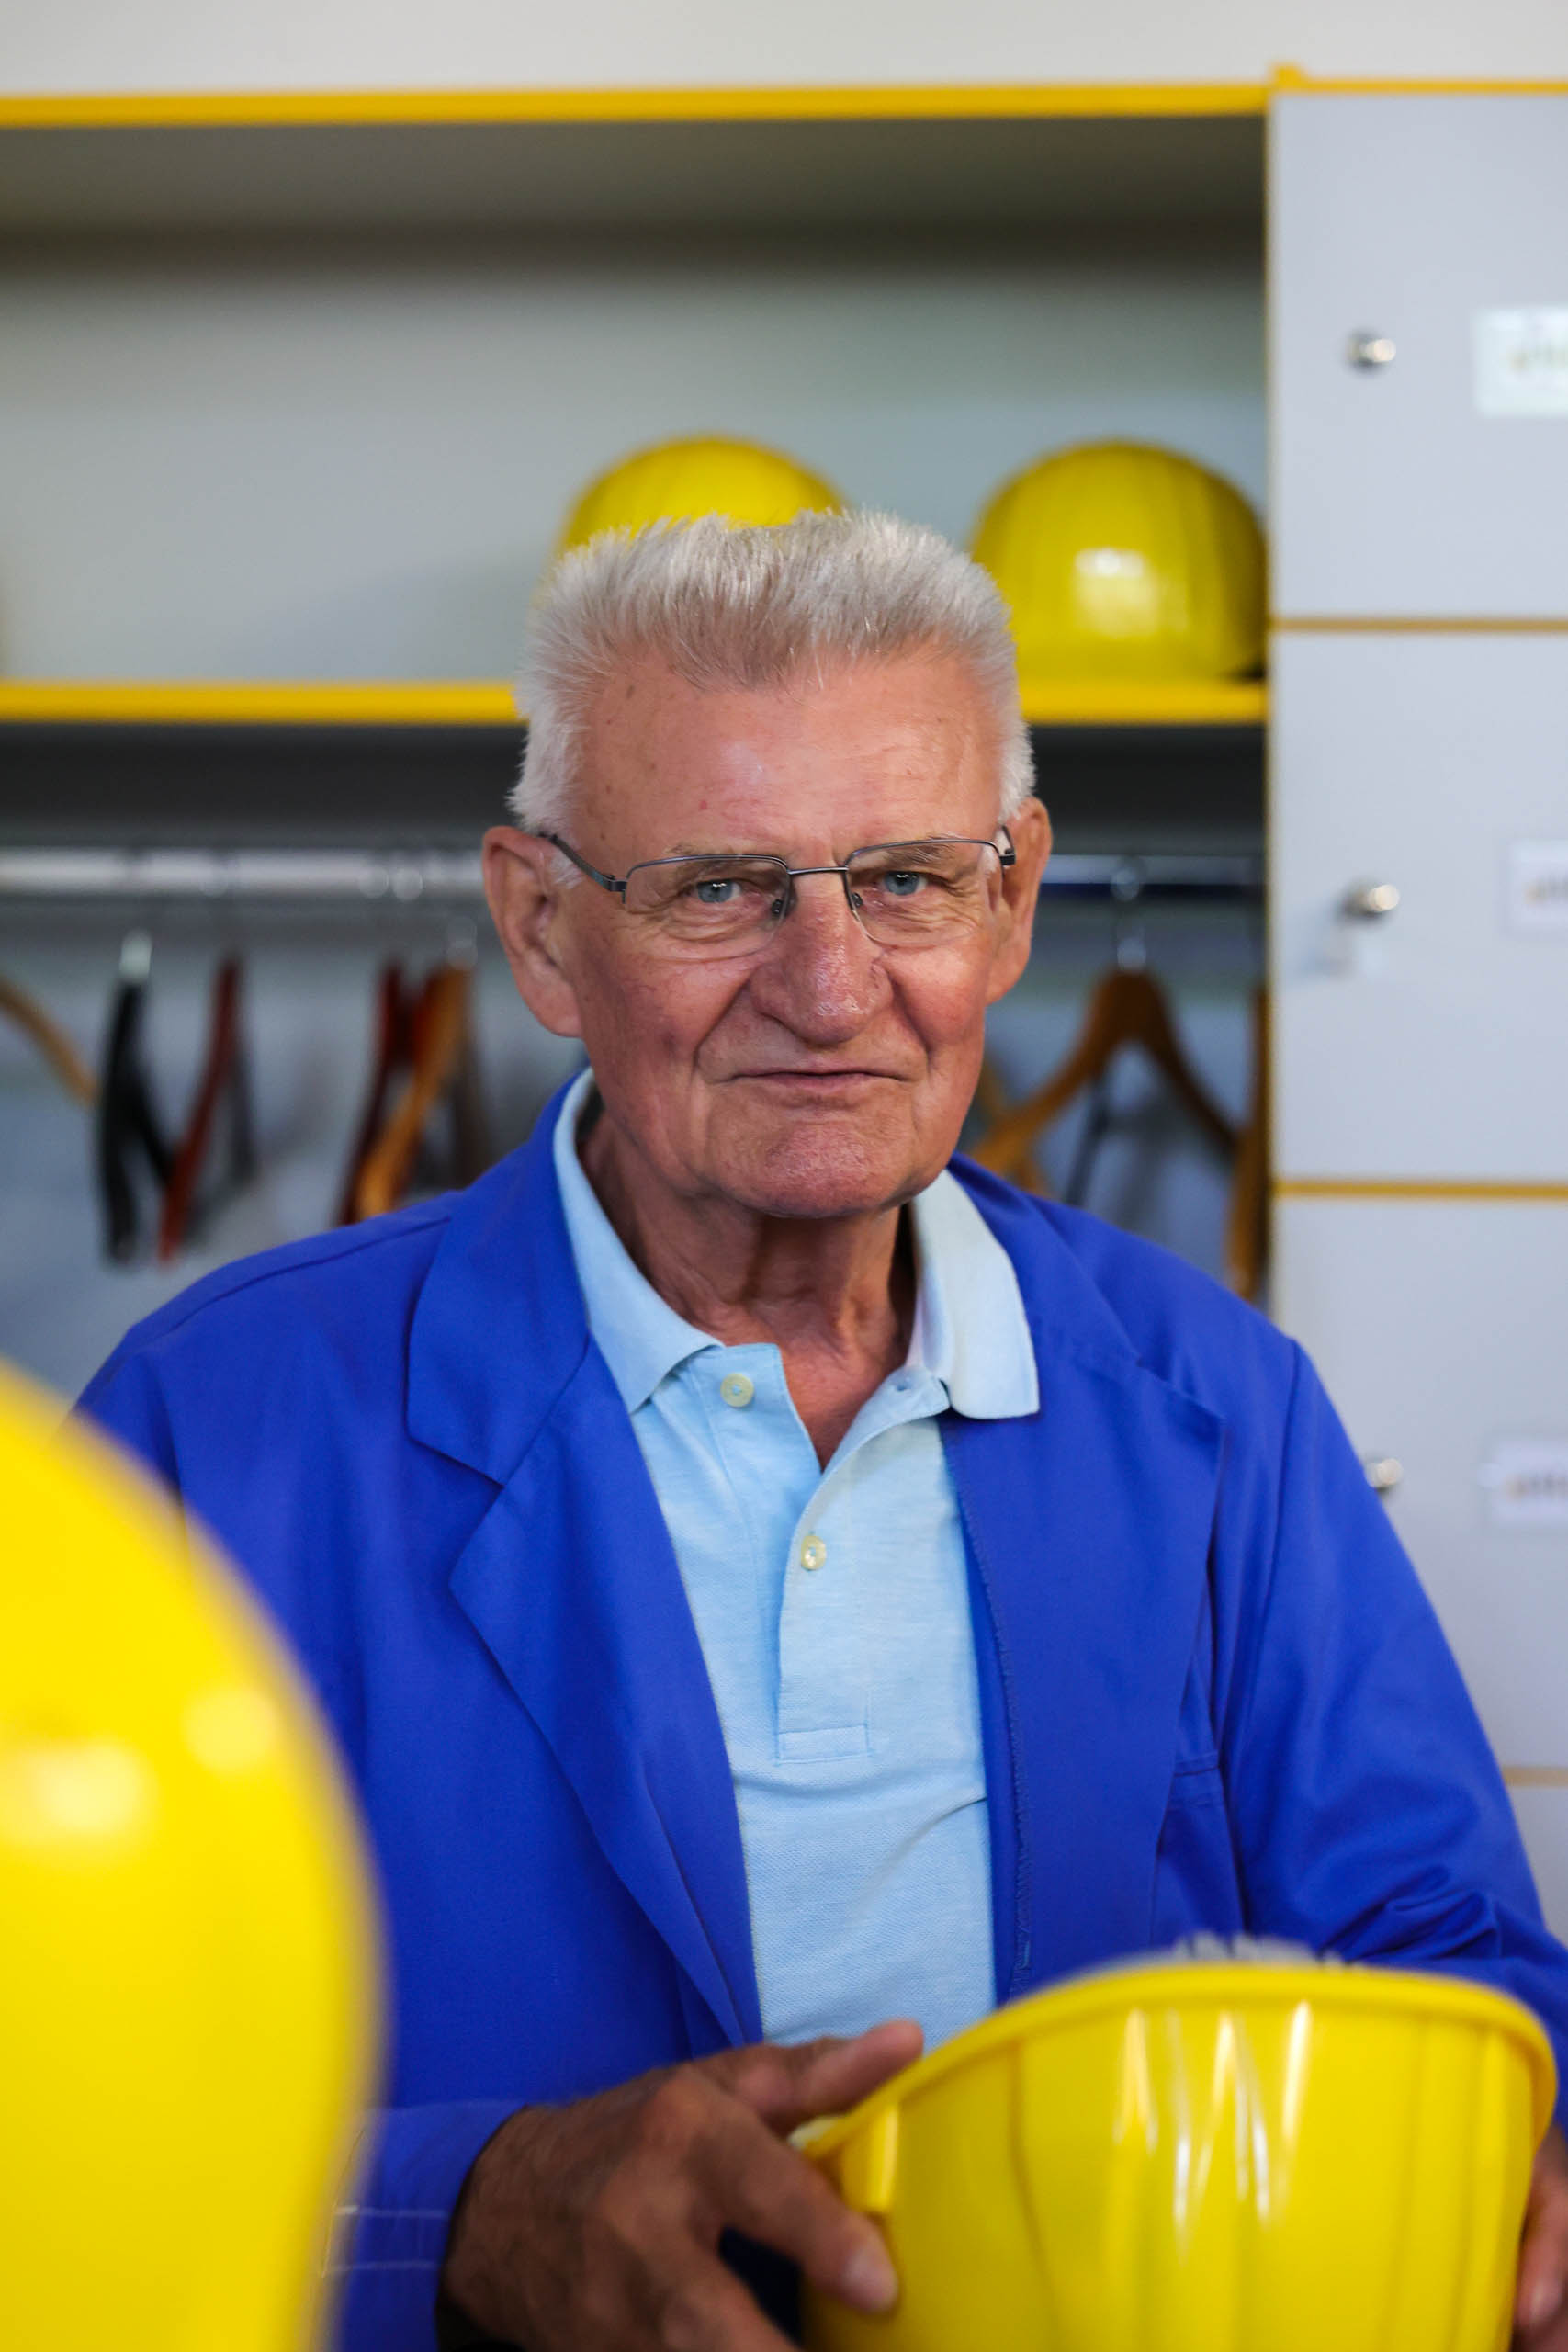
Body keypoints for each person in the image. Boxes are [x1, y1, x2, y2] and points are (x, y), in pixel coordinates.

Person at [81, 512, 1568, 2352]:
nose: (830, 984)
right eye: (719, 887)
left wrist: (1511, 2146)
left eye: (907, 881)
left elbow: (1450, 1972)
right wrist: (454, 2213)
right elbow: (46, 2086)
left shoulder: (1217, 1405)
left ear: (1012, 900)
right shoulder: (206, 1434)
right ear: (542, 929)